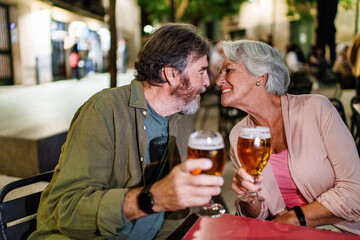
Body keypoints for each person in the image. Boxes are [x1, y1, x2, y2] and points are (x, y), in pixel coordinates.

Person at [29, 23, 224, 239]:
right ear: (172, 74)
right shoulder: (104, 111)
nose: (207, 82)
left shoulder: (183, 117)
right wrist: (153, 198)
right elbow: (67, 210)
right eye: (202, 72)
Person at [216, 40, 360, 234]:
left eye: (228, 70)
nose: (218, 80)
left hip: (337, 230)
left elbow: (355, 192)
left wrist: (293, 219)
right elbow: (258, 216)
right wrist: (249, 196)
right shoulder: (239, 134)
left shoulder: (316, 109)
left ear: (260, 75)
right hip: (280, 233)